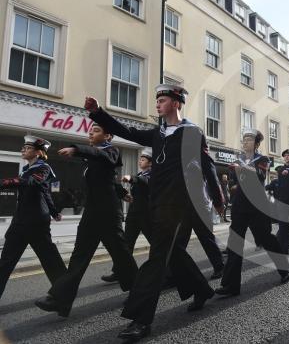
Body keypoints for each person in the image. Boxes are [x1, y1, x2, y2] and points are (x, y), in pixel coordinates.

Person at [78, 85, 225, 341]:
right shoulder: (158, 133)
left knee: (156, 259)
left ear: (177, 103)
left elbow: (207, 166)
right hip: (155, 203)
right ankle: (201, 289)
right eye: (156, 99)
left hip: (178, 203)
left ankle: (140, 320)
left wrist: (219, 198)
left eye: (163, 99)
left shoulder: (192, 132)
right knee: (172, 252)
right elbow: (129, 132)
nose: (157, 103)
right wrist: (98, 113)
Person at [35, 125, 139, 318]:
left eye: (97, 130)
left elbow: (105, 159)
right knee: (79, 256)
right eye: (90, 130)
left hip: (108, 215)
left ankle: (140, 293)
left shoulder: (112, 151)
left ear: (108, 135)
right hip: (91, 215)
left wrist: (77, 149)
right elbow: (108, 180)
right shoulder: (93, 158)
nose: (91, 132)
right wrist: (122, 192)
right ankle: (58, 300)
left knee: (122, 256)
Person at [215, 129, 289, 296]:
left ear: (256, 144)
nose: (245, 142)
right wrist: (234, 185)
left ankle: (284, 269)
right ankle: (230, 285)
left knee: (267, 239)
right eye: (244, 139)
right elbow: (235, 182)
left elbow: (259, 176)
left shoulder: (262, 159)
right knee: (234, 243)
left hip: (257, 207)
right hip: (240, 207)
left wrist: (241, 168)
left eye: (249, 139)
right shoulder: (239, 159)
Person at [0, 135, 67, 299]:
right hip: (20, 221)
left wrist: (6, 182)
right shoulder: (25, 170)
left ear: (38, 153)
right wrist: (55, 211)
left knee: (50, 260)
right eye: (23, 147)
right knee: (5, 261)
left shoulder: (43, 168)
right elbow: (45, 192)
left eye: (28, 148)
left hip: (37, 221)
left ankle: (64, 293)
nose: (23, 149)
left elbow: (35, 183)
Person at [101, 148, 153, 283]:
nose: (140, 161)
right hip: (134, 214)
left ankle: (166, 270)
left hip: (147, 215)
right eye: (140, 159)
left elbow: (144, 181)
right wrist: (128, 196)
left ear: (150, 163)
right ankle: (119, 271)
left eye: (143, 159)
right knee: (125, 244)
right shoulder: (140, 174)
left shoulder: (152, 174)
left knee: (156, 243)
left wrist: (131, 178)